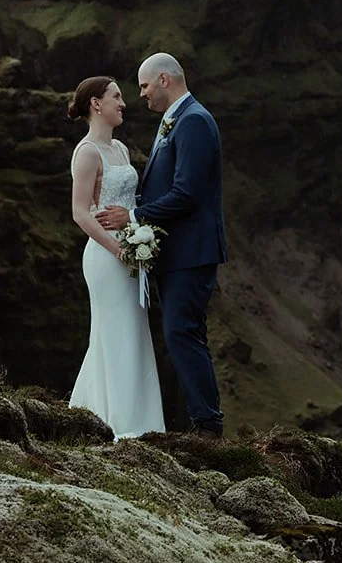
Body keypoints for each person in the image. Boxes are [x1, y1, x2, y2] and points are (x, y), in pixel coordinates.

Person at [96, 52, 226, 437]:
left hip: (191, 251)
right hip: (178, 252)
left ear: (164, 80)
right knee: (181, 332)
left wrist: (134, 216)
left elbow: (187, 193)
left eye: (144, 86)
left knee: (182, 332)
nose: (141, 94)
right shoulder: (175, 121)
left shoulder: (194, 121)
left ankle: (208, 426)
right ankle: (204, 421)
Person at [67, 75, 166, 438]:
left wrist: (139, 233)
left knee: (133, 333)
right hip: (107, 257)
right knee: (113, 334)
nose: (123, 103)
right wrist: (119, 249)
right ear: (96, 104)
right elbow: (80, 212)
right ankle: (115, 422)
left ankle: (139, 422)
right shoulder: (87, 152)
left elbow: (129, 202)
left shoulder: (121, 149)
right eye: (116, 97)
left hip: (131, 250)